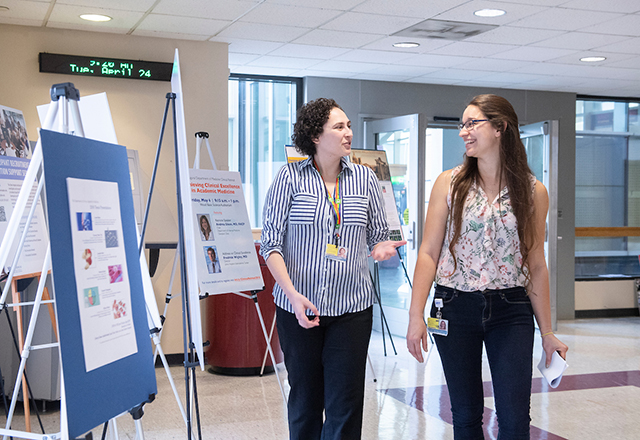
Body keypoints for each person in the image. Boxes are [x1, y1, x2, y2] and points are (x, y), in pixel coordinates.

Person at [406, 94, 568, 440]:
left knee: (513, 418)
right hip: (453, 305)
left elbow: (536, 263)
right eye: (461, 124)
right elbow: (428, 253)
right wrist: (415, 315)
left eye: (471, 123)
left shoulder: (532, 191)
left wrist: (548, 331)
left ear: (500, 128)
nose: (463, 132)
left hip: (511, 309)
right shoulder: (448, 184)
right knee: (465, 415)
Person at [260, 97, 405, 440]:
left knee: (345, 405)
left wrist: (382, 248)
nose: (348, 133)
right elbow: (271, 245)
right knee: (306, 401)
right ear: (315, 135)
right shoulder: (289, 178)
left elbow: (378, 235)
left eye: (349, 126)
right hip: (298, 307)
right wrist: (293, 297)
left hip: (352, 309)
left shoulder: (365, 180)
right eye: (338, 127)